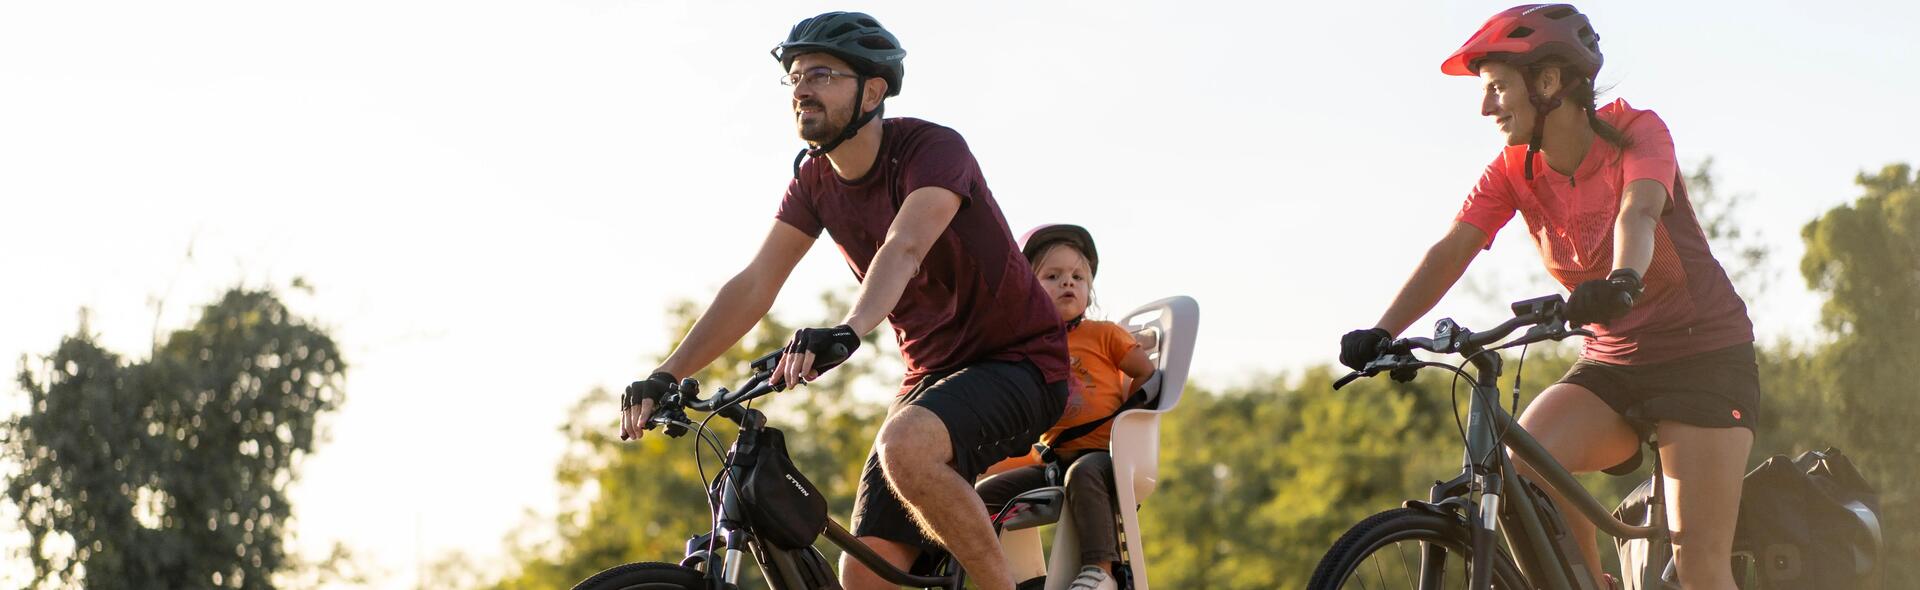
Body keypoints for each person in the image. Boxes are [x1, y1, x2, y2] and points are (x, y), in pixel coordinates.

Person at [617, 12, 1069, 590]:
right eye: (796, 75)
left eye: (823, 73)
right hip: (932, 376)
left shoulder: (932, 150)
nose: (802, 87)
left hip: (1021, 362)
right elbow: (756, 283)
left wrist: (849, 328)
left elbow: (904, 247)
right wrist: (666, 373)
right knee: (863, 580)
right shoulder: (813, 181)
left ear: (873, 90)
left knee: (904, 444)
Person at [1337, 5, 1758, 589]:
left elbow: (1638, 211)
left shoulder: (1637, 132)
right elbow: (1452, 249)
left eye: (1498, 89)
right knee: (1526, 466)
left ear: (1550, 81)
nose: (1486, 108)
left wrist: (1622, 281)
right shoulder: (1513, 169)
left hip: (1703, 359)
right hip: (1614, 360)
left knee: (1699, 567)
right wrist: (1383, 330)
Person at [976, 224, 1154, 590]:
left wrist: (1125, 423)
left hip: (1103, 458)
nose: (1067, 283)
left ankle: (1101, 570)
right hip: (1054, 462)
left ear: (1089, 289)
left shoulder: (1103, 334)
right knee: (982, 495)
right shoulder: (1028, 347)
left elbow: (1144, 372)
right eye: (1053, 276)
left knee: (1084, 473)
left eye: (1078, 277)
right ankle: (999, 577)